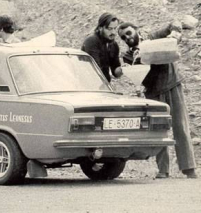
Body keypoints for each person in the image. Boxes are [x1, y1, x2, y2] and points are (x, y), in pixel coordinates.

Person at [118, 22, 197, 179]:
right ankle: (163, 170)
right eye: (123, 37)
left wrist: (174, 33)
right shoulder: (128, 56)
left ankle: (189, 169)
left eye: (128, 33)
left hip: (172, 84)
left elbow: (173, 24)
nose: (127, 38)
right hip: (153, 93)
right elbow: (139, 74)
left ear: (137, 29)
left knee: (180, 126)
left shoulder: (153, 38)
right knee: (159, 131)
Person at [81, 12, 122, 82]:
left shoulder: (113, 45)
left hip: (103, 86)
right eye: (109, 29)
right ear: (100, 28)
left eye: (115, 28)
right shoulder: (92, 41)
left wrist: (125, 69)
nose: (113, 32)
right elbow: (95, 70)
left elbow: (116, 73)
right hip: (88, 84)